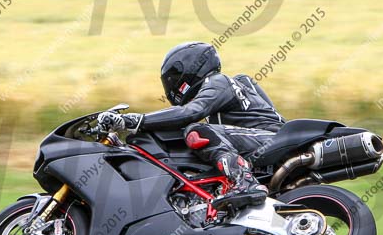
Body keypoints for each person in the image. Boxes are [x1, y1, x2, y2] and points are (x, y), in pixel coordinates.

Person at [97, 41, 285, 210]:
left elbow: (191, 112)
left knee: (196, 131)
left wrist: (134, 121)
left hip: (269, 139)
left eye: (173, 77)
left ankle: (244, 183)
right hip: (266, 141)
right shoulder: (235, 87)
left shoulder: (218, 81)